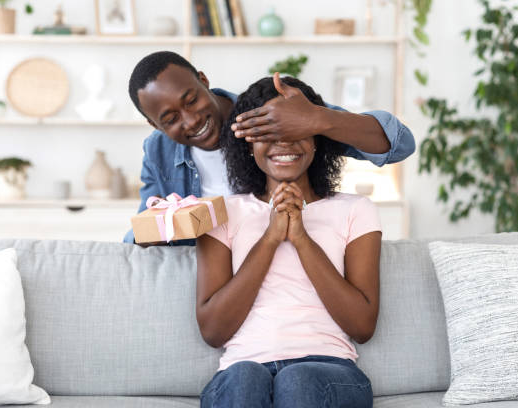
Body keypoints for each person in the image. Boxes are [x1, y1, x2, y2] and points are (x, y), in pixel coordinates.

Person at [196, 76, 381, 407]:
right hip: (242, 372)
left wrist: (300, 237)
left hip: (329, 371)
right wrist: (270, 238)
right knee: (244, 377)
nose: (284, 143)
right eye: (267, 134)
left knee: (299, 380)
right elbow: (213, 332)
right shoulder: (220, 213)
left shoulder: (356, 210)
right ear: (248, 145)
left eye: (295, 131)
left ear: (316, 139)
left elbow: (362, 325)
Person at [123, 50, 414, 245]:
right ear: (155, 125)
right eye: (170, 119)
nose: (191, 120)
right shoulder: (159, 151)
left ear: (203, 81)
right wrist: (163, 226)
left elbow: (400, 145)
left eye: (191, 100)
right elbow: (141, 236)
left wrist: (317, 118)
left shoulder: (268, 111)